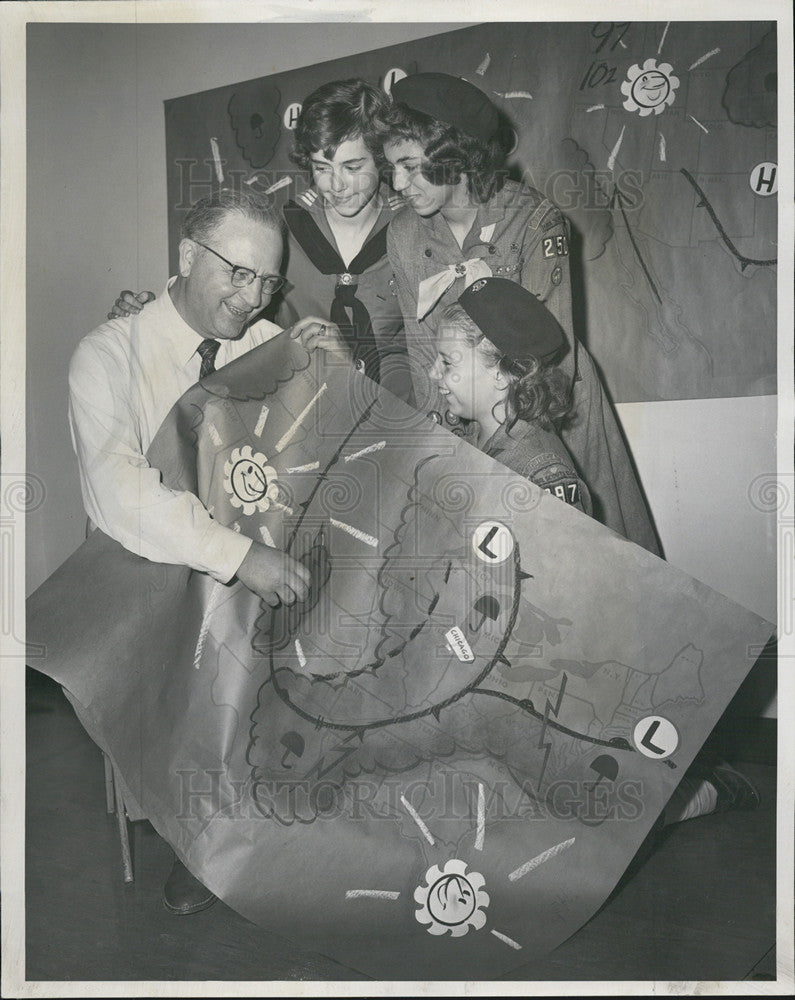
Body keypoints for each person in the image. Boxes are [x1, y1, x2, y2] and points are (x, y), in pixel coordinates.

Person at [69, 187, 320, 915]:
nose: (253, 298)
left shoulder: (269, 342)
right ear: (185, 257)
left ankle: (282, 812)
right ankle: (198, 838)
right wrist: (240, 557)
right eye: (237, 274)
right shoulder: (107, 353)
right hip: (146, 573)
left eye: (269, 281)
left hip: (248, 566)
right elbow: (118, 491)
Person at [379, 72, 662, 555]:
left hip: (548, 409)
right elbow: (422, 352)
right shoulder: (404, 234)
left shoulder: (534, 220)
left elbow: (547, 360)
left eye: (409, 166)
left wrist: (508, 453)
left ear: (455, 154)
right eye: (392, 168)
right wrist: (445, 449)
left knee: (592, 562)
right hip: (460, 411)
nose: (398, 184)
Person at [111, 79, 413, 403]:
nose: (336, 184)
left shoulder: (414, 232)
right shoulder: (279, 232)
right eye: (322, 167)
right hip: (295, 411)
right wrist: (151, 319)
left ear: (382, 158)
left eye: (352, 167)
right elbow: (222, 313)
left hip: (397, 416)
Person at [429, 276, 592, 516]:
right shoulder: (473, 433)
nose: (433, 373)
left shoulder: (543, 476)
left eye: (447, 362)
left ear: (500, 374)